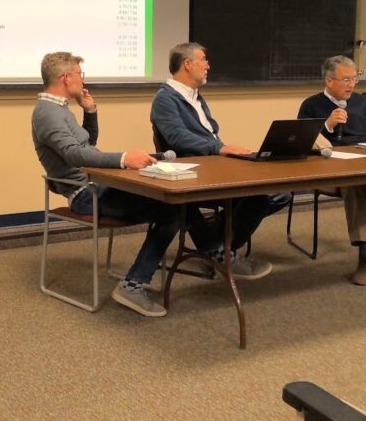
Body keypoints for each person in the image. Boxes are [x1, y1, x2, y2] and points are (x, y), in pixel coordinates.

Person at [32, 52, 178, 317]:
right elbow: (75, 155)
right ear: (66, 78)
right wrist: (123, 159)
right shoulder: (47, 114)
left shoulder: (60, 109)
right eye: (79, 74)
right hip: (85, 195)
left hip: (96, 186)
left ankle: (211, 249)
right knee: (170, 210)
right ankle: (133, 285)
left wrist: (90, 112)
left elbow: (87, 144)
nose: (82, 79)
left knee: (171, 201)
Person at [150, 42, 288, 279]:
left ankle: (216, 245)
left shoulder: (195, 97)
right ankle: (219, 252)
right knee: (256, 198)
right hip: (194, 169)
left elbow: (209, 134)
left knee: (280, 192)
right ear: (187, 64)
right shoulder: (165, 99)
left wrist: (228, 152)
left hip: (215, 164)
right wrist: (222, 148)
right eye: (204, 60)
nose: (208, 66)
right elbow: (177, 137)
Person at [298, 55, 366, 286]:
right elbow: (302, 141)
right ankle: (365, 253)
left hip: (363, 162)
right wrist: (327, 126)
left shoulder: (363, 103)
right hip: (327, 170)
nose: (351, 85)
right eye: (346, 80)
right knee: (354, 182)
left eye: (354, 79)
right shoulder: (311, 104)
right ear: (329, 81)